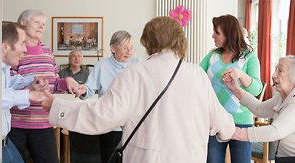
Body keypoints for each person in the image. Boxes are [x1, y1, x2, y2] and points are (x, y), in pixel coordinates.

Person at [39, 16, 237, 162]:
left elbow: (101, 117)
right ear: (180, 40)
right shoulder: (197, 74)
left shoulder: (134, 73)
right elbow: (222, 124)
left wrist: (57, 106)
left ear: (146, 41)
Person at [9, 9, 78, 163]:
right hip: (16, 125)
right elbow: (8, 89)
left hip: (43, 123)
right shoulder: (14, 52)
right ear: (23, 23)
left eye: (43, 24)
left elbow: (54, 85)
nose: (41, 27)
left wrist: (67, 81)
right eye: (37, 22)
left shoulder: (48, 52)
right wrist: (30, 90)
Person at [70, 30, 142, 162]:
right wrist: (82, 90)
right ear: (113, 48)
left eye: (131, 47)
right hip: (110, 125)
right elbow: (89, 88)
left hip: (133, 124)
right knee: (109, 159)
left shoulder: (138, 64)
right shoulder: (102, 65)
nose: (129, 51)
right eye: (125, 47)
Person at [200, 14, 261, 163]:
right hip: (215, 121)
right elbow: (197, 79)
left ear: (228, 34)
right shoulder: (211, 57)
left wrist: (240, 74)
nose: (213, 35)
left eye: (217, 32)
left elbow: (256, 90)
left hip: (242, 122)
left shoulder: (249, 58)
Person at [226, 56, 295, 162]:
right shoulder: (281, 96)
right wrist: (236, 89)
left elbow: (276, 131)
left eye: (280, 70)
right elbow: (260, 108)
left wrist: (237, 133)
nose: (273, 75)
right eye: (275, 69)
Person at [0, 21, 48, 163]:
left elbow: (9, 86)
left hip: (6, 143)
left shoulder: (4, 70)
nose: (25, 49)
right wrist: (30, 94)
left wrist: (31, 82)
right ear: (5, 47)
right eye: (22, 44)